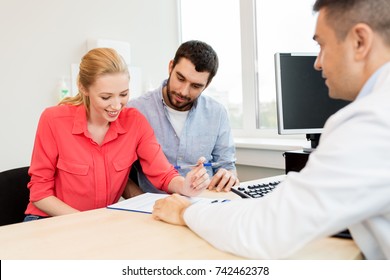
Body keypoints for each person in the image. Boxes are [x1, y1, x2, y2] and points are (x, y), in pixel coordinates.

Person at [152, 0, 390, 260]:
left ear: (360, 41)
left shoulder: (371, 122)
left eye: (322, 45)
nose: (317, 63)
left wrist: (186, 212)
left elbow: (266, 230)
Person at [24, 48, 210, 221]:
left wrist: (186, 186)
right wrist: (87, 223)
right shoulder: (54, 120)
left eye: (123, 94)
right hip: (49, 221)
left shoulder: (134, 122)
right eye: (106, 97)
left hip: (98, 225)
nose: (116, 105)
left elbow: (163, 174)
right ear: (83, 87)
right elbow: (40, 195)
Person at [127, 40, 238, 194]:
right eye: (180, 78)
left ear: (207, 83)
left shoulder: (217, 113)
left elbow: (226, 166)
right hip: (153, 206)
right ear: (171, 66)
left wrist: (228, 176)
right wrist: (140, 203)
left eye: (196, 86)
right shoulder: (136, 110)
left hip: (203, 205)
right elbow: (122, 173)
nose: (184, 92)